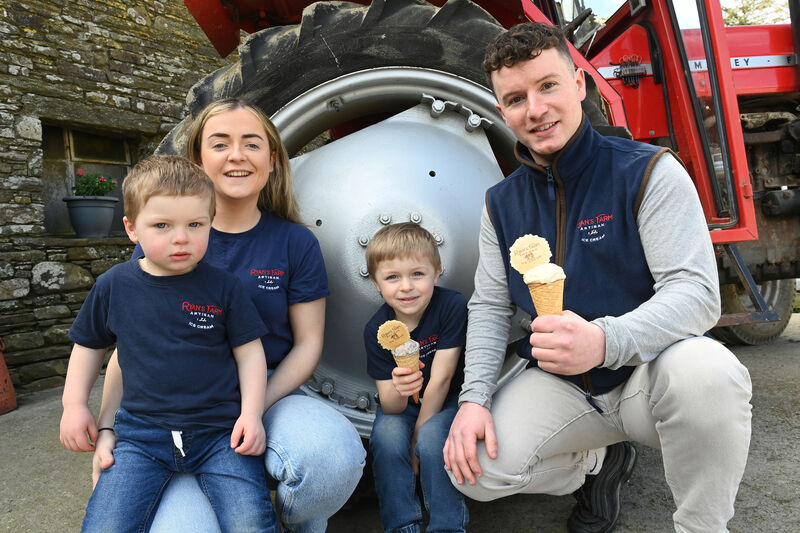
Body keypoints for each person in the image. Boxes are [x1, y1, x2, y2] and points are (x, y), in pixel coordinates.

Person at [443, 22, 753, 533]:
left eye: (548, 86)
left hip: (645, 379)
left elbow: (698, 296)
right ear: (502, 112)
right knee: (470, 467)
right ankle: (591, 462)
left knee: (710, 373)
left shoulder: (649, 171)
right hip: (562, 391)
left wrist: (606, 341)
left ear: (579, 86)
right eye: (516, 98)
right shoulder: (500, 204)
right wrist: (473, 398)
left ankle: (703, 526)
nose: (536, 109)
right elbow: (490, 307)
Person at [90, 99, 366, 533]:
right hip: (176, 411)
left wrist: (252, 408)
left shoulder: (296, 243)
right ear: (198, 160)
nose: (237, 154)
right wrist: (108, 428)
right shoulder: (161, 240)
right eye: (220, 144)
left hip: (269, 391)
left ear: (272, 160)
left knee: (330, 458)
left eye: (251, 144)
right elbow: (130, 348)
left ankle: (289, 523)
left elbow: (309, 343)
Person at [59, 155, 277, 532]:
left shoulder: (224, 287)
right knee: (104, 526)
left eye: (196, 224)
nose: (181, 238)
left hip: (220, 435)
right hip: (140, 438)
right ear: (132, 229)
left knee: (250, 522)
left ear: (211, 223)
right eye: (162, 225)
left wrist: (252, 414)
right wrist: (75, 405)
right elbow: (89, 348)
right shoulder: (114, 285)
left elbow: (250, 354)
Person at [364, 222, 469, 533]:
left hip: (448, 395)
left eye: (417, 274)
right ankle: (402, 525)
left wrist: (418, 436)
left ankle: (447, 526)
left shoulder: (451, 306)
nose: (406, 287)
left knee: (435, 439)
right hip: (403, 404)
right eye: (392, 277)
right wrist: (399, 387)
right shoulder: (377, 330)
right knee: (386, 437)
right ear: (376, 283)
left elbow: (442, 376)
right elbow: (391, 406)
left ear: (437, 273)